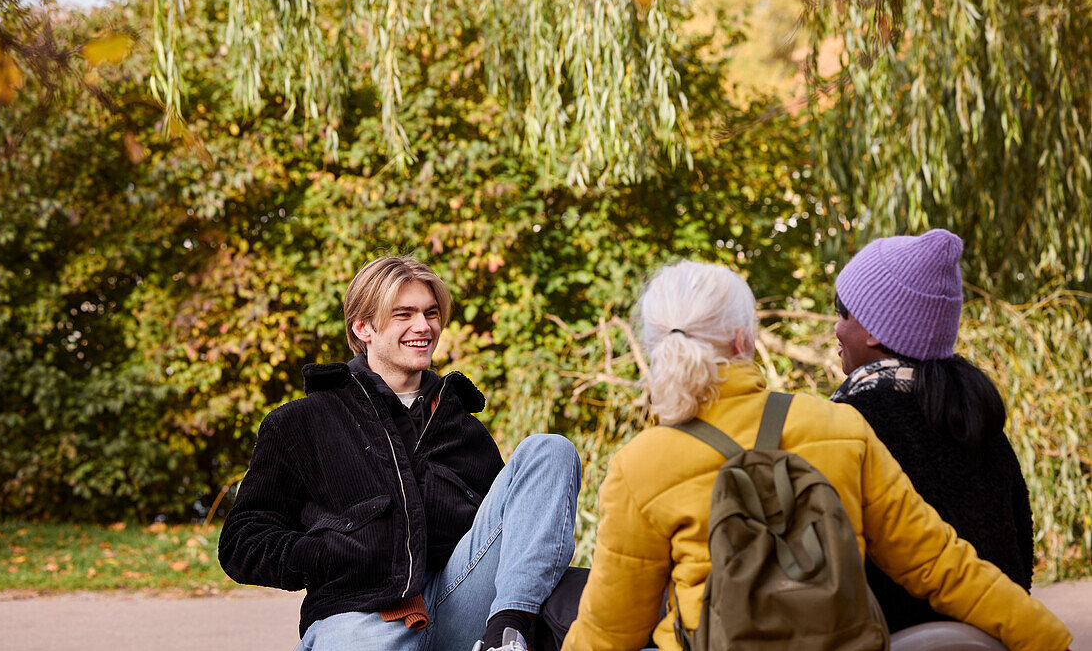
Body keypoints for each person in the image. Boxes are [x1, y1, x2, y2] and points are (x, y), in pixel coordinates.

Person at [561, 260, 1071, 651]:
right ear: (745, 340)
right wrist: (1052, 639)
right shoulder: (838, 425)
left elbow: (610, 631)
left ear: (656, 349)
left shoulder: (641, 463)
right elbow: (942, 565)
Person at [218, 256, 582, 651]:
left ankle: (507, 637)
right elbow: (242, 542)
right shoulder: (301, 423)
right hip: (361, 616)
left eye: (431, 313)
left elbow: (499, 534)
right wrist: (331, 554)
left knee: (549, 449)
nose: (423, 326)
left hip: (458, 605)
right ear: (363, 327)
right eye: (403, 314)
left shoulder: (460, 425)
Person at [831, 229, 1035, 632]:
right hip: (997, 636)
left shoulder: (848, 426)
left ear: (875, 330)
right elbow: (1020, 551)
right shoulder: (981, 423)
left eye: (843, 313)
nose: (835, 328)